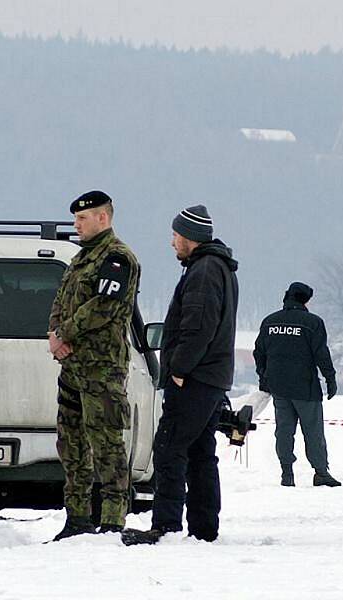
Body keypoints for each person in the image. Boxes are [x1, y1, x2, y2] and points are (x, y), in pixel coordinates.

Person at [122, 204, 238, 546]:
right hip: (212, 378)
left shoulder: (203, 272)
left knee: (170, 448)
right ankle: (204, 528)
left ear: (190, 237)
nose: (172, 242)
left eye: (175, 235)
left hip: (195, 378)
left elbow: (198, 327)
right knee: (201, 453)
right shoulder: (217, 268)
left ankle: (166, 526)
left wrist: (179, 369)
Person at [47, 190, 140, 541]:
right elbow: (62, 300)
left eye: (82, 219)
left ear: (103, 218)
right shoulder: (81, 259)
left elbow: (105, 306)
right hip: (73, 366)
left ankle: (114, 517)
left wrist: (65, 331)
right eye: (75, 219)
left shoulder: (116, 258)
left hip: (101, 369)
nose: (76, 225)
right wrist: (56, 333)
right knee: (70, 444)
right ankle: (77, 516)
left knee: (106, 443)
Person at [253, 281, 340, 487]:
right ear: (306, 299)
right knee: (313, 432)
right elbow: (321, 354)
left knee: (284, 431)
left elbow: (259, 353)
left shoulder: (269, 322)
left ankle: (286, 473)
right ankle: (320, 472)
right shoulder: (312, 323)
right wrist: (330, 378)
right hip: (305, 387)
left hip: (279, 387)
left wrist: (264, 378)